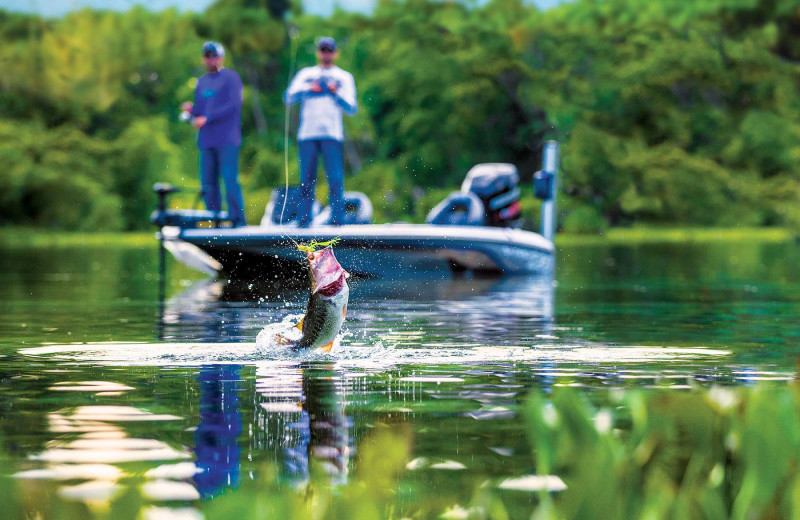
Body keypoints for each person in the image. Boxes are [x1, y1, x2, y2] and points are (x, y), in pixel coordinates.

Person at [284, 37, 357, 227]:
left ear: (335, 53)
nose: (326, 54)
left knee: (335, 178)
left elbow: (351, 108)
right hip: (307, 134)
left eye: (329, 50)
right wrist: (309, 88)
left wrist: (335, 93)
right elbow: (288, 97)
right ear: (318, 52)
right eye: (323, 50)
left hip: (332, 134)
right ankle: (304, 219)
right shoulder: (306, 74)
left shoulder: (344, 77)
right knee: (306, 179)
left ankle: (337, 220)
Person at [181, 41, 247, 227]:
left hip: (227, 139)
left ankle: (238, 222)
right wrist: (191, 111)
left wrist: (208, 117)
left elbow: (233, 105)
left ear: (221, 57)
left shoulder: (231, 78)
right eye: (207, 56)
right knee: (208, 184)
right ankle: (215, 222)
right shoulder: (201, 82)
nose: (211, 59)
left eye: (214, 55)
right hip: (207, 140)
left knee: (229, 180)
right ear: (204, 59)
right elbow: (201, 111)